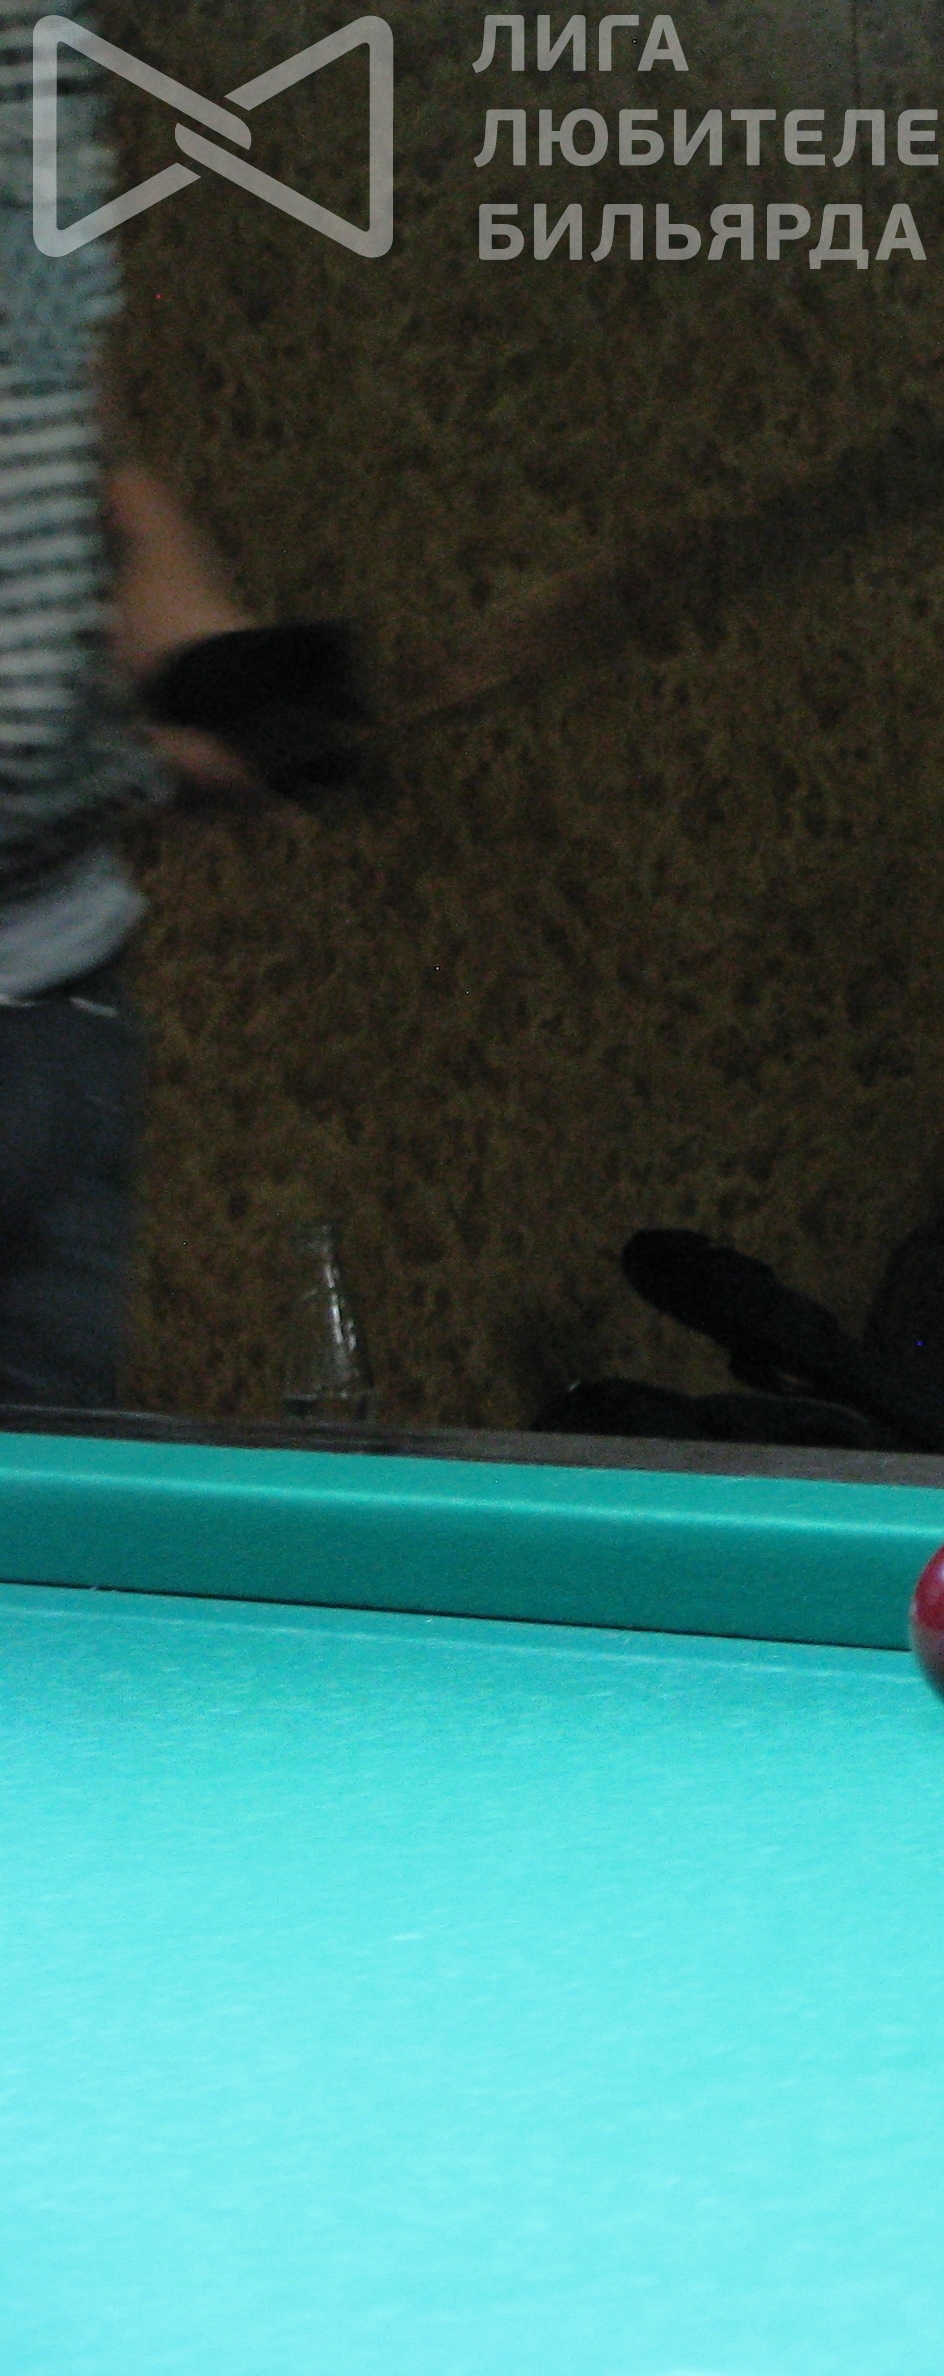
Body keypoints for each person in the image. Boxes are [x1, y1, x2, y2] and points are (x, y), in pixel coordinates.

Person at [0, 3, 321, 1405]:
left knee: (50, 1513)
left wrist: (211, 669)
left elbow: (82, 442)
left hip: (62, 1014)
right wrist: (137, 762)